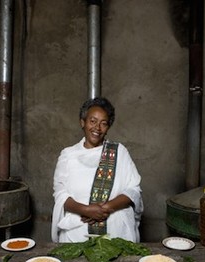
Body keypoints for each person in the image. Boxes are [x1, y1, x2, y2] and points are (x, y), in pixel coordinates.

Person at [51, 97, 143, 242]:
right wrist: (86, 210)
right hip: (76, 233)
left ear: (108, 127)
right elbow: (60, 193)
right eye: (92, 121)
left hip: (116, 233)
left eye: (103, 123)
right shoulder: (68, 155)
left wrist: (106, 208)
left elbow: (133, 190)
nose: (97, 128)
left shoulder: (119, 152)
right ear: (83, 122)